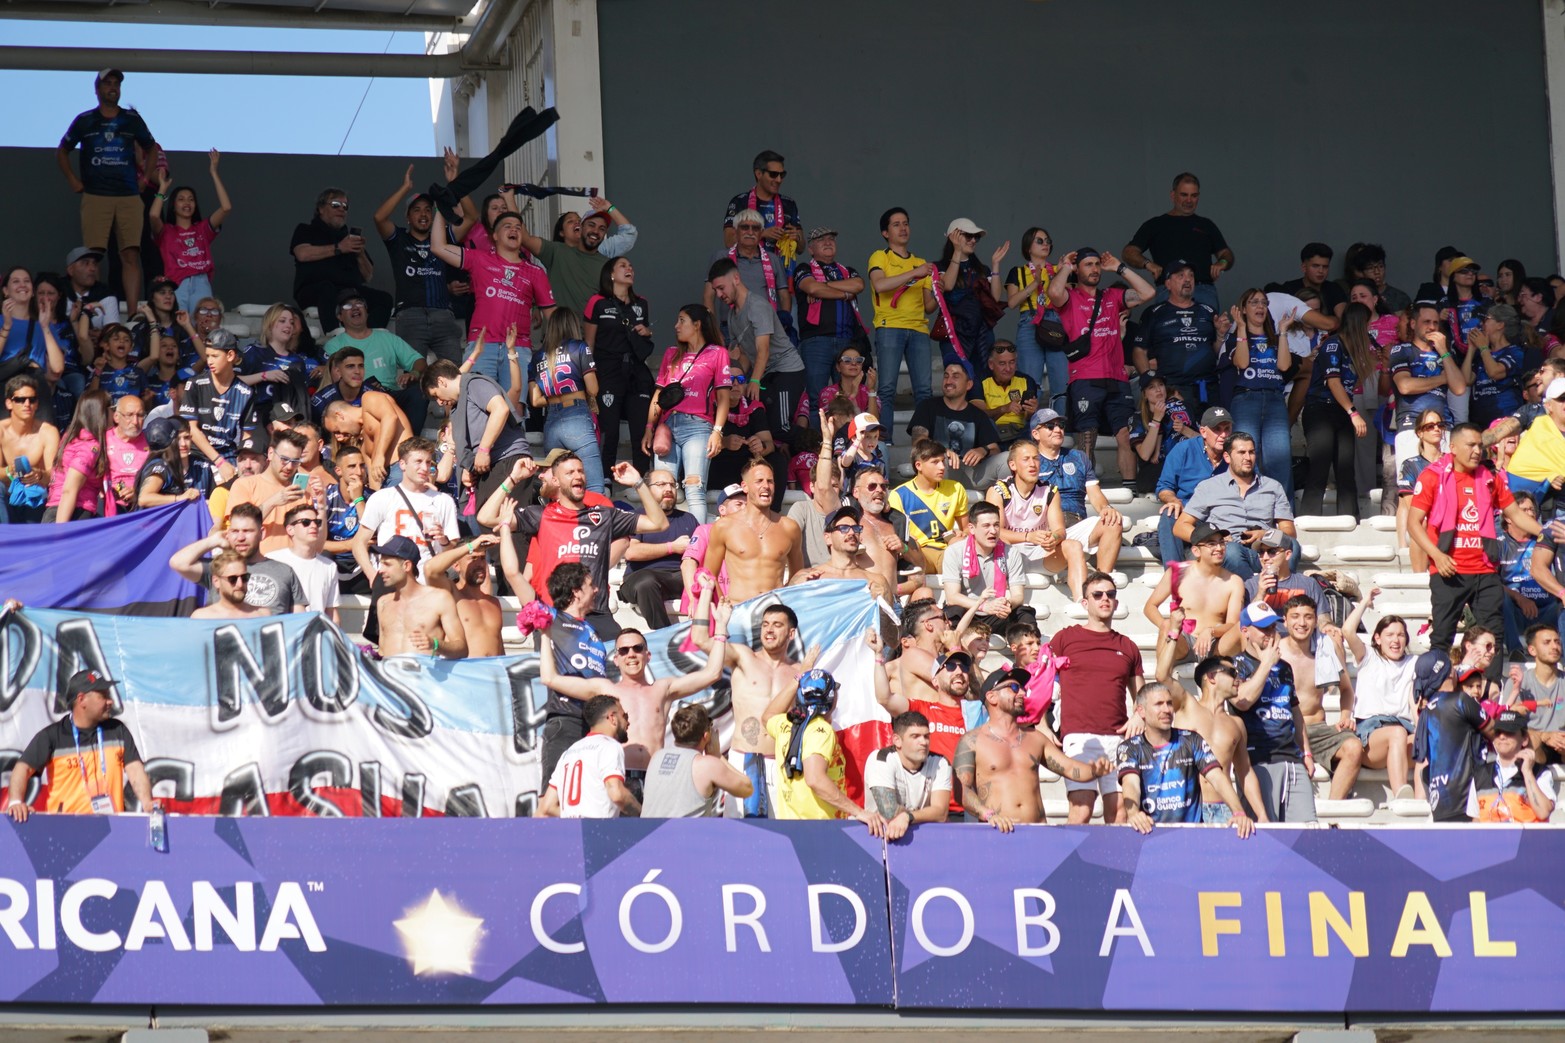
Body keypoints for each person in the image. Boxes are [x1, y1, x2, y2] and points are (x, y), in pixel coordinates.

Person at [542, 585, 728, 785]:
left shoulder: (662, 689)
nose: (631, 654)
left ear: (647, 655)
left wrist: (721, 629)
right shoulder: (605, 690)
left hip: (655, 779)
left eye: (637, 648)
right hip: (619, 779)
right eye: (624, 650)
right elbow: (550, 678)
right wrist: (545, 633)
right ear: (616, 659)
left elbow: (712, 673)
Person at [1409, 422, 1540, 674]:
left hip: (1485, 569)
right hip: (1449, 569)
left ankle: (1491, 690)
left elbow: (1515, 514)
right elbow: (1413, 523)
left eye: (1480, 445)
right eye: (1471, 445)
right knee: (1442, 636)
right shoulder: (1432, 475)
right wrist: (1436, 555)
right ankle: (1436, 689)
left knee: (1492, 636)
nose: (1477, 451)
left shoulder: (1489, 478)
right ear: (1453, 447)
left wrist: (1543, 532)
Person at [688, 595, 810, 818]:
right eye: (765, 624)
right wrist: (706, 595)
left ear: (791, 633)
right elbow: (700, 639)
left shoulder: (800, 671)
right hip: (743, 760)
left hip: (782, 763)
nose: (769, 630)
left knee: (780, 832)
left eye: (777, 625)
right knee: (740, 834)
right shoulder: (744, 657)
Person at [952, 666, 1113, 829]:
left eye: (1022, 688)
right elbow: (961, 790)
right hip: (996, 833)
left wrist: (1094, 770)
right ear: (992, 697)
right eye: (1014, 688)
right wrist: (987, 814)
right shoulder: (972, 741)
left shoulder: (1035, 738)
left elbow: (1071, 768)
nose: (1022, 693)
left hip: (1037, 833)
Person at [1045, 248, 1155, 483]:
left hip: (1117, 377)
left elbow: (1148, 292)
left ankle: (1130, 488)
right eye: (1088, 264)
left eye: (1097, 264)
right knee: (1087, 436)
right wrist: (1065, 267)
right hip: (1085, 376)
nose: (1094, 269)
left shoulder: (1112, 295)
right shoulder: (1069, 297)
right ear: (1077, 269)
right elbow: (1053, 292)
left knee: (1125, 434)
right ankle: (1085, 489)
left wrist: (1119, 267)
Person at [428, 206, 555, 399]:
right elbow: (438, 247)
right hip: (482, 346)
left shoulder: (535, 272)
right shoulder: (479, 259)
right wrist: (440, 208)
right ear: (494, 235)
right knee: (477, 405)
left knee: (515, 409)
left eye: (518, 227)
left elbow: (552, 315)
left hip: (518, 348)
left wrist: (563, 349)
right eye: (507, 226)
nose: (514, 230)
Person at [56, 70, 158, 310]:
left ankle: (132, 314)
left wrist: (145, 179)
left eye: (116, 84)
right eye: (108, 83)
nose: (113, 87)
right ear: (97, 89)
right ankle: (95, 311)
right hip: (96, 195)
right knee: (93, 257)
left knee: (130, 254)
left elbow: (151, 147)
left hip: (128, 195)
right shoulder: (85, 120)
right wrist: (72, 179)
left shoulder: (131, 119)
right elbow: (62, 150)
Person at [1051, 571, 1144, 824]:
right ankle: (1068, 853)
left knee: (1120, 814)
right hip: (1079, 736)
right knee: (1082, 809)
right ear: (1085, 602)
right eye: (1098, 594)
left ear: (1116, 601)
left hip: (1118, 737)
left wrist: (1139, 715)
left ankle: (1114, 854)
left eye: (1110, 594)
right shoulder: (1065, 638)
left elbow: (1141, 694)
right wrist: (1042, 726)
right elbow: (1041, 681)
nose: (1105, 599)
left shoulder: (1128, 646)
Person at [6, 667, 158, 822]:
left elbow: (135, 770)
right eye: (103, 696)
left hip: (112, 826)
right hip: (65, 828)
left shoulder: (118, 730)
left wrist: (147, 802)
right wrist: (16, 802)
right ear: (81, 699)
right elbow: (22, 768)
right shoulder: (52, 736)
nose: (110, 701)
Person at [1152, 631, 1270, 824]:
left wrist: (1262, 814)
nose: (1239, 679)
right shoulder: (1187, 706)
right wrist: (1174, 631)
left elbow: (1245, 772)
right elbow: (1162, 676)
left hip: (1225, 810)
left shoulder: (1236, 724)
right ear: (1212, 677)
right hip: (1189, 806)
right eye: (1232, 673)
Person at [1118, 682, 1254, 836]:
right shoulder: (1130, 748)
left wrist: (1238, 812)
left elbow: (1217, 778)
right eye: (1159, 704)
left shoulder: (1191, 740)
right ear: (1141, 711)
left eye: (1169, 703)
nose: (1167, 710)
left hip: (1191, 835)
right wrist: (1133, 813)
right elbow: (1131, 784)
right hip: (1150, 833)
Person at [761, 666, 884, 829]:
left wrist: (798, 679)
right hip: (819, 829)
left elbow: (767, 716)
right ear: (831, 699)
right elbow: (815, 779)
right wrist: (858, 812)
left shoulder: (786, 722)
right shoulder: (821, 730)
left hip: (793, 827)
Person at [1229, 600, 1316, 823]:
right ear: (1245, 631)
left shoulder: (1284, 667)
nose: (1269, 633)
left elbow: (1294, 711)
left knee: (1307, 830)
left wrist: (1306, 752)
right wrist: (1266, 664)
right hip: (1257, 760)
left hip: (1292, 758)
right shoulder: (1234, 666)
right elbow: (1243, 701)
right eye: (1263, 628)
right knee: (1266, 832)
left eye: (1271, 627)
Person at [708, 256, 806, 454]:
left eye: (721, 288)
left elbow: (763, 350)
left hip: (787, 370)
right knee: (767, 425)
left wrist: (753, 380)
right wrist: (737, 379)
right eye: (715, 290)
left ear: (736, 279)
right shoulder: (732, 316)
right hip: (765, 374)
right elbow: (743, 355)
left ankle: (819, 443)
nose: (718, 294)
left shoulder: (757, 306)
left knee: (781, 427)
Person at [642, 304, 730, 523]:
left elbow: (723, 397)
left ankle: (696, 542)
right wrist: (649, 427)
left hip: (698, 427)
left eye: (682, 320)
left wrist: (717, 431)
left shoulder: (717, 353)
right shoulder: (671, 353)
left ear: (697, 325)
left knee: (694, 489)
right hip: (666, 428)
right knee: (661, 490)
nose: (676, 326)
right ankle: (662, 537)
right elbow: (658, 395)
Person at [371, 161, 465, 366]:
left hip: (442, 313)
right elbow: (379, 217)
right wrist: (405, 188)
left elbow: (469, 219)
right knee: (414, 374)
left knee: (455, 372)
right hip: (410, 314)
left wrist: (454, 183)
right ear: (407, 217)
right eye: (416, 210)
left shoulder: (441, 239)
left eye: (428, 210)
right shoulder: (399, 239)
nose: (423, 214)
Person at [1173, 432, 1299, 580]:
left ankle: (1283, 587)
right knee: (1232, 551)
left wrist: (1265, 534)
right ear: (1227, 457)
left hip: (1265, 548)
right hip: (1228, 549)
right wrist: (1214, 539)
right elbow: (1180, 526)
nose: (1248, 458)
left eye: (1251, 452)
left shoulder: (1273, 486)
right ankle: (1251, 589)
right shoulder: (1209, 487)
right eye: (1241, 452)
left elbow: (1289, 531)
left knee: (1293, 545)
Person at [1276, 595, 1364, 801]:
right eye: (1295, 616)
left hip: (1317, 729)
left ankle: (1334, 808)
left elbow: (1347, 690)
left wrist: (1345, 716)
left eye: (1308, 617)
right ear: (1285, 621)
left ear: (1316, 621)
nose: (1302, 623)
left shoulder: (1326, 649)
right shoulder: (1275, 651)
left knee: (1353, 747)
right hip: (1285, 729)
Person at [421, 354, 532, 507]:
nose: (439, 403)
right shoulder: (459, 402)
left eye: (436, 395)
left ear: (441, 381)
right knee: (486, 518)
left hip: (507, 460)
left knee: (506, 518)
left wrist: (483, 450)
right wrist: (469, 467)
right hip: (489, 466)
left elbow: (500, 409)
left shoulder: (474, 384)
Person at [1031, 407, 1124, 586]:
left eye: (1061, 425)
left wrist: (1106, 508)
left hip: (1076, 524)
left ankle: (1101, 582)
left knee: (1113, 521)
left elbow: (1094, 492)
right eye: (1050, 426)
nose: (1058, 429)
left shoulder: (1078, 457)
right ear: (1035, 433)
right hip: (1045, 526)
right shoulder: (1030, 460)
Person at [351, 436, 460, 586]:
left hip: (428, 584)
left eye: (428, 462)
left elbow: (452, 551)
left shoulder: (444, 501)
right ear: (402, 464)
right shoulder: (382, 497)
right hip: (391, 583)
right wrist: (372, 575)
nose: (424, 468)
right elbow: (359, 542)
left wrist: (443, 540)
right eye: (418, 462)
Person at [1121, 172, 1233, 312]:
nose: (1189, 200)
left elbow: (1226, 254)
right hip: (1168, 290)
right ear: (1173, 195)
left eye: (1194, 195)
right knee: (1166, 327)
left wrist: (1222, 262)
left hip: (1203, 290)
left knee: (1209, 326)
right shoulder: (1155, 225)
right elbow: (1129, 252)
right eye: (1184, 195)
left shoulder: (1206, 225)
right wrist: (1147, 264)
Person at [1300, 304, 1373, 517]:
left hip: (1342, 410)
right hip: (1320, 409)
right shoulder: (1333, 344)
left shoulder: (1353, 350)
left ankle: (1350, 520)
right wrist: (1354, 413)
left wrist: (1374, 360)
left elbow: (1354, 383)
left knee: (1346, 470)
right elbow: (1333, 382)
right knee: (1320, 467)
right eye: (1367, 324)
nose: (1369, 329)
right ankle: (1308, 521)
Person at [586, 256, 656, 473]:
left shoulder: (641, 303)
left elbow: (640, 339)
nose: (629, 269)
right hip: (607, 371)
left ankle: (641, 478)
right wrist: (589, 375)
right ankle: (606, 479)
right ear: (611, 274)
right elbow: (589, 343)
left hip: (636, 372)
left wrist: (647, 332)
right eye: (623, 266)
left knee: (640, 429)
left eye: (631, 265)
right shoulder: (597, 301)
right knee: (610, 430)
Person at [170, 503, 305, 615]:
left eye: (247, 531)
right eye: (235, 531)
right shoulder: (217, 568)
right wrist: (213, 541)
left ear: (262, 533)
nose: (240, 538)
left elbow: (299, 621)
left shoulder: (284, 571)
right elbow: (178, 562)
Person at [1223, 288, 1296, 492]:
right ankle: (1248, 506)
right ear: (1244, 309)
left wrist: (1283, 331)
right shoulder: (1234, 338)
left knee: (1280, 460)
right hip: (1246, 399)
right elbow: (1242, 362)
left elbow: (1284, 366)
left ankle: (1282, 509)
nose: (1260, 306)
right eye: (1254, 302)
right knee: (1244, 458)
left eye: (1264, 303)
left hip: (1275, 401)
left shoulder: (1276, 338)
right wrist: (1241, 327)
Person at [701, 457, 803, 604]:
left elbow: (797, 575)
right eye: (759, 481)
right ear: (745, 487)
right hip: (738, 608)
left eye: (770, 481)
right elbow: (709, 574)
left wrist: (783, 602)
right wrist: (723, 605)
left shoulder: (789, 527)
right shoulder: (725, 526)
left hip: (775, 610)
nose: (766, 486)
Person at [1131, 259, 1226, 411]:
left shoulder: (1208, 311)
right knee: (1179, 426)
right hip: (1172, 388)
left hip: (1208, 387)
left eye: (1191, 275)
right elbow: (1139, 350)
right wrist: (1151, 383)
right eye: (1181, 275)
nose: (1187, 279)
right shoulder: (1155, 313)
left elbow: (1217, 352)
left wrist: (1220, 334)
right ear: (1168, 284)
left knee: (1216, 426)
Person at [290, 188, 392, 328]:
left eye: (345, 206)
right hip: (314, 290)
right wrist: (339, 248)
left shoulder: (347, 238)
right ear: (321, 209)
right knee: (327, 288)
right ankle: (333, 333)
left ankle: (369, 335)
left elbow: (368, 276)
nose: (341, 209)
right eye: (335, 205)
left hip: (347, 292)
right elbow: (302, 254)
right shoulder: (306, 230)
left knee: (384, 299)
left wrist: (360, 253)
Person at [868, 207, 936, 419]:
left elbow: (929, 307)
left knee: (924, 391)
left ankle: (923, 437)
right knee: (887, 389)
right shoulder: (880, 256)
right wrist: (915, 273)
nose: (903, 228)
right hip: (890, 327)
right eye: (896, 224)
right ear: (885, 233)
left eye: (905, 223)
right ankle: (883, 438)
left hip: (919, 329)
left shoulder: (920, 262)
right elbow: (880, 285)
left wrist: (938, 292)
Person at [1142, 522, 1245, 659]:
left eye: (1221, 542)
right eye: (1211, 544)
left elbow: (1232, 624)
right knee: (1166, 625)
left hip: (1215, 643)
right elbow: (1150, 607)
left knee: (1243, 627)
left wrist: (1211, 631)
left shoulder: (1234, 581)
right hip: (1183, 640)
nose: (1219, 548)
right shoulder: (1178, 572)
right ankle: (1162, 672)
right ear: (1196, 551)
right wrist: (1169, 628)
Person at [148, 149, 232, 313]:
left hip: (202, 282)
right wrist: (162, 189)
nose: (187, 203)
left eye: (191, 199)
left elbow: (226, 207)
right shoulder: (166, 232)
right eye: (181, 199)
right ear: (173, 206)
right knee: (179, 324)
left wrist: (214, 173)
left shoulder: (202, 229)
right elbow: (153, 215)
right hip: (177, 284)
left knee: (202, 323)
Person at [986, 439, 1075, 593]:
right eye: (1026, 459)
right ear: (1012, 465)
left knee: (1074, 546)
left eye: (1036, 459)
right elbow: (995, 532)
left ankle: (1081, 599)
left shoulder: (1050, 490)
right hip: (1008, 554)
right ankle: (1002, 590)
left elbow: (1060, 530)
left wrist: (1054, 538)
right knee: (999, 541)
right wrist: (1028, 537)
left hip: (1040, 552)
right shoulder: (998, 491)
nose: (1032, 464)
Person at [1390, 301, 1465, 480]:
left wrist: (1443, 350)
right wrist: (1442, 379)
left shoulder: (1445, 354)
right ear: (1413, 324)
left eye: (1435, 322)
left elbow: (1459, 388)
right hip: (1411, 427)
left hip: (1442, 428)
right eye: (1426, 322)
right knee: (1411, 487)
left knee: (1444, 485)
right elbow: (1405, 386)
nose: (1432, 327)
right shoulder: (1402, 350)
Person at [1410, 651, 1487, 822]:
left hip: (1439, 800)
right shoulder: (1460, 700)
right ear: (1449, 673)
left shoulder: (1426, 711)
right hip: (1466, 799)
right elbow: (1495, 733)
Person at [531, 310, 603, 492]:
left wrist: (555, 399)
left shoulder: (538, 356)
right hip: (577, 416)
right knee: (594, 485)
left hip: (551, 421)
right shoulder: (579, 347)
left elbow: (535, 400)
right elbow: (593, 389)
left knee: (557, 488)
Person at [642, 703, 754, 819]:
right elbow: (747, 789)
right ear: (706, 736)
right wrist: (717, 755)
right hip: (684, 831)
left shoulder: (657, 757)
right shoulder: (706, 765)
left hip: (649, 829)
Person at [618, 469, 698, 630]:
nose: (668, 489)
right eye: (661, 484)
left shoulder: (688, 519)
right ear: (647, 490)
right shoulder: (635, 517)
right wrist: (672, 547)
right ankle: (664, 633)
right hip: (641, 578)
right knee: (646, 582)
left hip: (680, 577)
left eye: (672, 485)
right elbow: (631, 552)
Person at [792, 227, 867, 399]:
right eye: (821, 240)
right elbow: (812, 288)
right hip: (816, 342)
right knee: (816, 397)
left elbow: (858, 285)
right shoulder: (804, 268)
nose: (827, 242)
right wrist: (845, 294)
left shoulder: (847, 270)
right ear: (811, 249)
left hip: (847, 341)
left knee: (848, 397)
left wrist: (824, 285)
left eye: (831, 239)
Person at [537, 695, 640, 819]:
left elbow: (547, 806)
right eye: (625, 716)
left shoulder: (568, 753)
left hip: (573, 828)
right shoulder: (610, 746)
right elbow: (616, 794)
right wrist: (643, 813)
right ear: (612, 718)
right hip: (598, 828)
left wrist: (575, 815)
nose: (627, 722)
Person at [180, 331, 257, 494]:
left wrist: (239, 465)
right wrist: (219, 462)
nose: (209, 361)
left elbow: (247, 436)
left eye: (215, 356)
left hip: (229, 456)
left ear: (230, 356)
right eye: (208, 356)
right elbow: (191, 428)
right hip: (196, 455)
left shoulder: (245, 392)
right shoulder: (195, 384)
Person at [907, 362, 1003, 488]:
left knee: (1007, 459)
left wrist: (983, 450)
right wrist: (942, 451)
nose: (948, 381)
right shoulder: (927, 406)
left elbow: (995, 449)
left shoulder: (978, 414)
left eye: (955, 376)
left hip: (970, 472)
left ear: (969, 385)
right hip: (941, 469)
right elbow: (918, 442)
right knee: (941, 459)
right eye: (946, 376)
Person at [865, 710, 953, 838]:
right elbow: (888, 812)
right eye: (915, 736)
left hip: (920, 834)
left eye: (926, 736)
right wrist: (925, 814)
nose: (923, 742)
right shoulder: (881, 759)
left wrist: (908, 816)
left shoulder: (940, 762)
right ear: (897, 740)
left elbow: (941, 813)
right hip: (877, 834)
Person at [940, 501, 1024, 632]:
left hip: (996, 612)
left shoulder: (1011, 552)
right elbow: (952, 597)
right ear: (972, 528)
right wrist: (983, 606)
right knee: (952, 611)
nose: (993, 531)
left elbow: (1018, 595)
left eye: (996, 525)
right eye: (986, 526)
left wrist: (1006, 604)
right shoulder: (954, 551)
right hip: (968, 612)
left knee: (1024, 613)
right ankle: (957, 645)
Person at [224, 428, 313, 551]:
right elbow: (241, 527)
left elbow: (314, 541)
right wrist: (273, 502)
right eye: (284, 459)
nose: (289, 466)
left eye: (295, 461)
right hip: (258, 560)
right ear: (271, 453)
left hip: (293, 561)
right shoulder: (244, 485)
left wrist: (322, 502)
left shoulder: (301, 494)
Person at [1003, 226, 1063, 408]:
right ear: (1028, 247)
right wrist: (1034, 284)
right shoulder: (1018, 271)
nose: (1045, 244)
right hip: (1029, 322)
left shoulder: (1059, 269)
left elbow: (1067, 299)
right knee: (1029, 382)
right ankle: (1030, 423)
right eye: (1039, 241)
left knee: (1061, 382)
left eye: (1048, 241)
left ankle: (1060, 421)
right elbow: (1012, 302)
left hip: (1056, 321)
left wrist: (1064, 271)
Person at [890, 438, 969, 574]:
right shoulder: (899, 495)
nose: (942, 467)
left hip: (948, 549)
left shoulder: (956, 488)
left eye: (943, 461)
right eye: (935, 462)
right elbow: (895, 535)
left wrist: (962, 534)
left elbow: (967, 528)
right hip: (918, 552)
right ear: (918, 465)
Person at [320, 385, 412, 492]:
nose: (339, 438)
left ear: (340, 416)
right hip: (386, 481)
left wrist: (379, 455)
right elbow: (374, 478)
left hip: (402, 467)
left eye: (337, 430)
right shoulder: (364, 444)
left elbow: (390, 417)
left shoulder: (368, 398)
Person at [1470, 708, 1555, 822]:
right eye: (1498, 732)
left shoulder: (1540, 772)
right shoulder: (1479, 774)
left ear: (1524, 739)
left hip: (1527, 834)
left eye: (1509, 732)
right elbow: (1476, 821)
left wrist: (1527, 773)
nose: (1502, 737)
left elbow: (1543, 812)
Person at [791, 503, 891, 599]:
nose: (852, 532)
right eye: (844, 528)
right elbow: (789, 606)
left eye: (856, 528)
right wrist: (795, 590)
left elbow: (886, 611)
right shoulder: (808, 578)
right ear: (827, 538)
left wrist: (882, 600)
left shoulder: (876, 582)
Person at [1500, 494, 1558, 655]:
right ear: (1509, 517)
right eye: (1524, 510)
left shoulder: (1546, 540)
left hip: (1547, 611)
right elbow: (1490, 582)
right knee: (1499, 597)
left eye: (1532, 510)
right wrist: (1519, 598)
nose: (1531, 514)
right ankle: (1515, 651)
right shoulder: (1499, 543)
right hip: (1515, 613)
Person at [43, 389, 110, 523]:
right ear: (101, 413)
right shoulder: (89, 447)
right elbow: (69, 490)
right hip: (71, 514)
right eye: (111, 408)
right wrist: (60, 530)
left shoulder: (71, 438)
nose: (114, 413)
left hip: (57, 510)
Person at [266, 502, 340, 622]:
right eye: (306, 522)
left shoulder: (329, 566)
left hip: (316, 631)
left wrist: (335, 633)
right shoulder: (272, 560)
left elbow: (331, 613)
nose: (313, 526)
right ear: (290, 530)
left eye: (317, 522)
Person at [0, 375, 60, 522]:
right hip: (6, 496)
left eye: (32, 400)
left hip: (35, 496)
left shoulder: (48, 432)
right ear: (9, 403)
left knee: (35, 493)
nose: (27, 404)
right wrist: (9, 471)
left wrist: (39, 475)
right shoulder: (1, 431)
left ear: (37, 404)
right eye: (20, 400)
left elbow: (54, 474)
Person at [1128, 374, 1195, 495]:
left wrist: (1185, 430)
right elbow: (1145, 455)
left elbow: (1205, 440)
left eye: (1161, 385)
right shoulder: (1137, 418)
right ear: (1144, 394)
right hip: (1154, 470)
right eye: (1152, 387)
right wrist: (1156, 420)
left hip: (1185, 463)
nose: (1158, 389)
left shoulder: (1180, 408)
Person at [723, 150, 801, 250]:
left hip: (781, 260)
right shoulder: (739, 202)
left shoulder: (789, 204)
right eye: (773, 174)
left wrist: (797, 238)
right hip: (748, 259)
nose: (779, 180)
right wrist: (762, 233)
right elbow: (729, 242)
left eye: (782, 175)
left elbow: (801, 248)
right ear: (758, 174)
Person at [1464, 303, 1526, 429]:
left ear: (1500, 325)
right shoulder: (1482, 353)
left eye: (1486, 319)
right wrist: (1471, 349)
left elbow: (1494, 372)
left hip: (1506, 419)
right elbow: (1466, 380)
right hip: (1480, 422)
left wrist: (1483, 347)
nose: (1481, 323)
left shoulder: (1515, 351)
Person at [1505, 376, 1565, 503]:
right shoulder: (1539, 430)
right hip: (1542, 507)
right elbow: (1520, 474)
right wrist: (1548, 477)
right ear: (1548, 406)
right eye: (1562, 399)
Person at [1242, 529, 1329, 616]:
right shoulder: (1250, 585)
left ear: (1287, 554)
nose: (1265, 558)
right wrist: (1260, 594)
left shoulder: (1309, 584)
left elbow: (1323, 619)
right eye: (1261, 552)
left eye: (1272, 552)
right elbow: (1245, 621)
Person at [131, 415, 198, 509]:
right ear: (172, 441)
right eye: (177, 439)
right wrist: (179, 498)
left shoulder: (166, 462)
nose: (183, 443)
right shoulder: (161, 465)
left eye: (186, 438)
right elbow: (144, 499)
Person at [191, 548, 272, 620]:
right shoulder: (202, 618)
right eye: (232, 579)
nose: (240, 584)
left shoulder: (262, 615)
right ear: (216, 581)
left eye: (244, 577)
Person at [1281, 242, 1348, 318]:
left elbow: (1343, 320)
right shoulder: (1289, 289)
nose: (1321, 271)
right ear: (1304, 267)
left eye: (1325, 267)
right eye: (1315, 266)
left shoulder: (1334, 289)